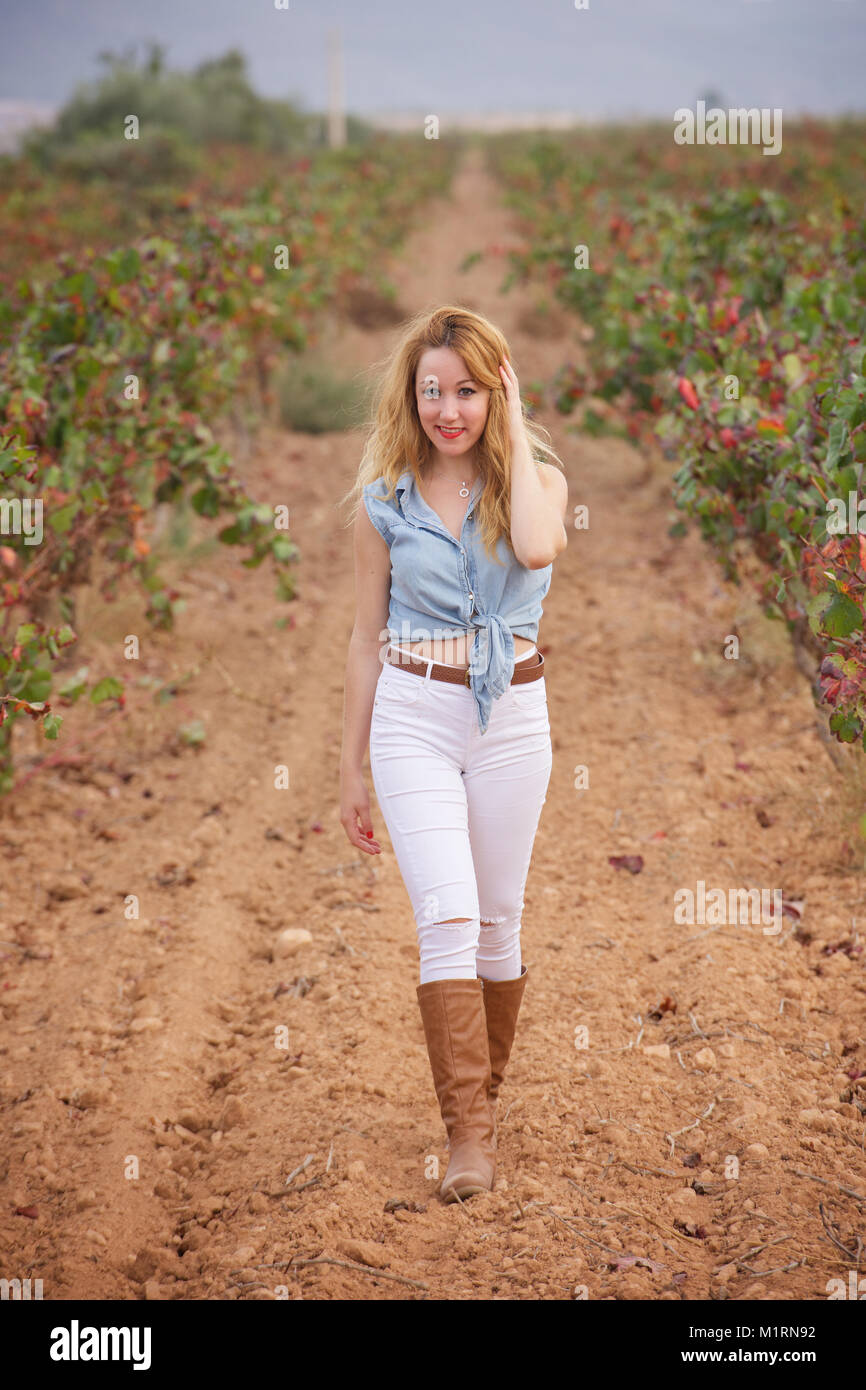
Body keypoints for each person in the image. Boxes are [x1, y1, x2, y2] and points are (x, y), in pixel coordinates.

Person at [339, 305, 568, 1203]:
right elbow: (364, 638)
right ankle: (466, 1136)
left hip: (513, 719)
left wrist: (512, 425)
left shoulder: (541, 480)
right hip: (412, 717)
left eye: (468, 390)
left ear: (496, 390)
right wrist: (348, 765)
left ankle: (486, 1102)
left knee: (499, 920)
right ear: (411, 396)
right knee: (448, 916)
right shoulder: (384, 502)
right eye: (432, 390)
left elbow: (538, 546)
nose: (447, 409)